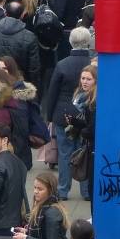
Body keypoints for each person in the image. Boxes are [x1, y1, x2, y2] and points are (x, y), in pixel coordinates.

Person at [42, 27, 94, 201]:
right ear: (88, 42)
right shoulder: (94, 65)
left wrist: (50, 117)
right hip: (87, 115)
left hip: (63, 115)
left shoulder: (62, 64)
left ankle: (63, 190)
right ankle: (86, 191)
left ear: (71, 42)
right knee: (85, 152)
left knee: (64, 154)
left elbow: (52, 93)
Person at [0, 1, 42, 85]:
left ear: (5, 13)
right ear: (23, 15)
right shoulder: (30, 37)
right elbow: (34, 69)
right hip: (20, 86)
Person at [64, 65, 97, 204]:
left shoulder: (94, 101)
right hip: (85, 140)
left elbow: (92, 128)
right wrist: (74, 121)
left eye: (89, 79)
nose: (85, 81)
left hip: (92, 145)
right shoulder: (80, 95)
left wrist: (81, 127)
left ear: (96, 81)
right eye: (83, 78)